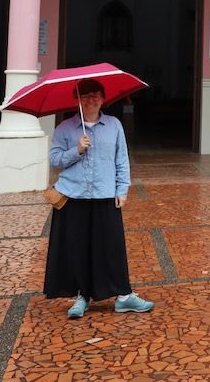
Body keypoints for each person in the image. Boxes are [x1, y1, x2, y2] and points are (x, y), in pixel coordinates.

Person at [43, 78, 154, 318]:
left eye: (95, 95)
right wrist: (77, 150)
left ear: (103, 98)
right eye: (84, 96)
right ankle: (82, 296)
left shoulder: (114, 125)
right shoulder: (65, 129)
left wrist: (122, 189)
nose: (90, 100)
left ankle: (124, 295)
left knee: (111, 246)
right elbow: (54, 160)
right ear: (77, 100)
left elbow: (121, 159)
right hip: (73, 197)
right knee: (78, 247)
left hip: (105, 195)